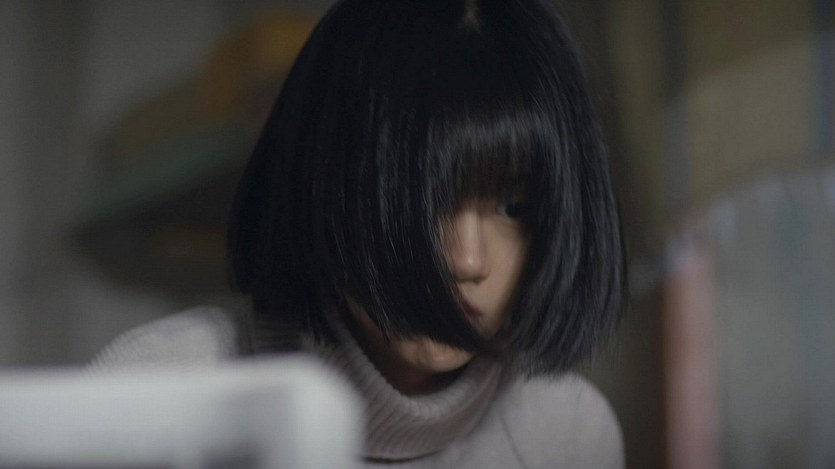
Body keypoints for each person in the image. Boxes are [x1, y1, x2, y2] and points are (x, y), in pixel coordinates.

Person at [93, 0, 627, 467]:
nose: (467, 260)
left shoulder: (569, 436)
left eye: (514, 207)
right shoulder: (154, 396)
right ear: (325, 179)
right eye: (424, 193)